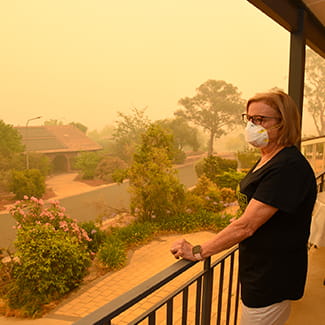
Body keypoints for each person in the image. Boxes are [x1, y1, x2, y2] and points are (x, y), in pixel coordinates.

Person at [170, 90, 317, 325]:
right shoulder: (268, 157)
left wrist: (198, 251)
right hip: (260, 271)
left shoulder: (286, 167)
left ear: (283, 123)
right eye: (249, 118)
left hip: (272, 278)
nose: (252, 125)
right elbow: (259, 211)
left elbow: (247, 226)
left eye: (261, 119)